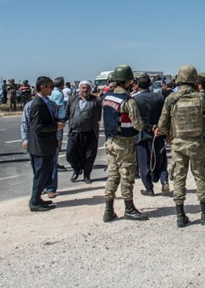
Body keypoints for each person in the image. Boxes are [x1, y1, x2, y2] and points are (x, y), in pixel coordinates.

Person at [157, 65, 205, 227]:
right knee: (200, 176)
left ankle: (180, 216)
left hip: (178, 143)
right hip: (196, 143)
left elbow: (162, 124)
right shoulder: (200, 97)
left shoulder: (171, 98)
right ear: (194, 79)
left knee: (179, 178)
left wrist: (168, 134)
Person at [101, 65, 148, 222]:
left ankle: (108, 210)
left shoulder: (107, 98)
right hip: (125, 143)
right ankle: (129, 208)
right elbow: (138, 124)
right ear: (128, 81)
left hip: (110, 141)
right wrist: (148, 126)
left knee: (113, 175)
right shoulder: (128, 101)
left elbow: (103, 122)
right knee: (127, 175)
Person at [23, 76, 63, 212]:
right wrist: (55, 126)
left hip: (47, 145)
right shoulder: (38, 104)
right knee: (41, 174)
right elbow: (38, 127)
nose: (52, 89)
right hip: (41, 146)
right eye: (50, 87)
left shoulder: (45, 102)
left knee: (46, 172)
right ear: (42, 87)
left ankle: (38, 199)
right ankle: (34, 201)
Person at [132, 74, 168, 196]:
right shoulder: (159, 97)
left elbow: (136, 119)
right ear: (150, 84)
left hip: (142, 135)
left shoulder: (135, 99)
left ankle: (149, 188)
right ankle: (164, 180)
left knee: (144, 163)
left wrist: (149, 127)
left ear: (138, 85)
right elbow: (164, 115)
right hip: (158, 133)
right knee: (161, 160)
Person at [65, 80, 101, 184]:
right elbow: (67, 113)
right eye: (83, 88)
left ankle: (87, 174)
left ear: (91, 89)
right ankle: (76, 169)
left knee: (89, 156)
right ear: (80, 89)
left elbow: (98, 116)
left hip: (90, 133)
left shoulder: (96, 100)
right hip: (74, 132)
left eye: (87, 88)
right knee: (70, 154)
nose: (85, 90)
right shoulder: (72, 99)